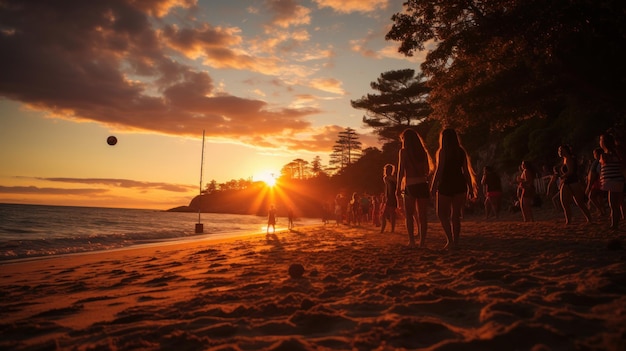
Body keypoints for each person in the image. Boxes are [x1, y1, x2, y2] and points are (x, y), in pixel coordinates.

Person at [429, 128, 477, 250]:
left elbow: (439, 170)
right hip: (460, 184)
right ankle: (455, 242)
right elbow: (466, 171)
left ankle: (450, 240)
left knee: (441, 214)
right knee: (456, 216)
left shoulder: (443, 151)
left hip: (446, 184)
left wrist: (433, 187)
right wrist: (470, 188)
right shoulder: (461, 151)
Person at [396, 129, 434, 247]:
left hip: (410, 185)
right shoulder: (423, 152)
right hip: (422, 184)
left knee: (409, 214)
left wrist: (397, 187)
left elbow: (401, 171)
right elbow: (427, 171)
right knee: (423, 216)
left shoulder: (404, 152)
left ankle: (412, 241)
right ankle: (422, 242)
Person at [558, 145, 593, 225]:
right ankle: (569, 220)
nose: (560, 152)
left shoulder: (569, 159)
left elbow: (570, 171)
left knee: (577, 202)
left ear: (566, 151)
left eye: (561, 150)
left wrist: (562, 177)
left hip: (571, 182)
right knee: (566, 202)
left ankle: (587, 218)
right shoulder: (565, 159)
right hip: (570, 182)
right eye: (559, 150)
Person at [599, 133, 625, 230]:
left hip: (612, 181)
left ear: (604, 142)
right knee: (617, 204)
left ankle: (614, 225)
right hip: (617, 180)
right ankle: (615, 223)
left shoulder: (605, 155)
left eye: (600, 140)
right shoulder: (616, 153)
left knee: (613, 205)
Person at [586, 147, 606, 217]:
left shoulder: (598, 162)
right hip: (600, 181)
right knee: (600, 198)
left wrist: (590, 184)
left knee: (591, 196)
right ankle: (602, 212)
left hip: (597, 182)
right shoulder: (598, 161)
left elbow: (594, 173)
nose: (593, 155)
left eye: (594, 153)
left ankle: (601, 210)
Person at [381, 164, 398, 233]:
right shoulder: (386, 178)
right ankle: (383, 229)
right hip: (389, 197)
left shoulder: (392, 178)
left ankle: (391, 229)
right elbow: (387, 189)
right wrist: (385, 197)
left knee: (391, 214)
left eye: (389, 170)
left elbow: (394, 187)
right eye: (387, 170)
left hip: (393, 197)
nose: (388, 171)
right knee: (384, 214)